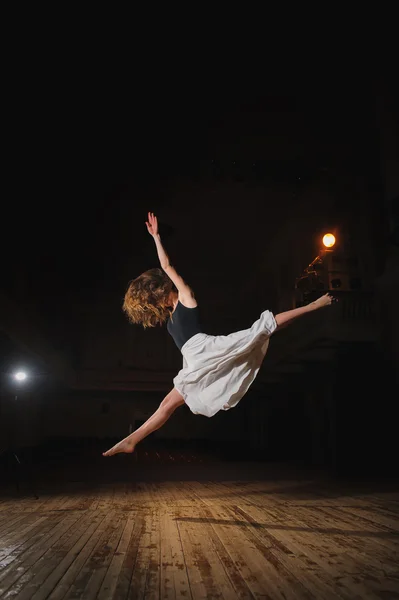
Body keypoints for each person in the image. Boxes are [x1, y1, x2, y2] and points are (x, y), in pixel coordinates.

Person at [103, 212, 334, 456]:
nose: (155, 303)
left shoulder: (186, 298)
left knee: (263, 327)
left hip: (206, 350)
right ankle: (131, 441)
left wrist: (157, 237)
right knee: (167, 405)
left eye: (154, 297)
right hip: (193, 361)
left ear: (162, 291)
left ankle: (315, 305)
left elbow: (167, 266)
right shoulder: (170, 315)